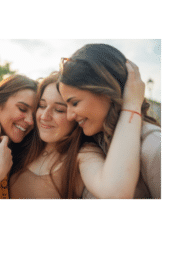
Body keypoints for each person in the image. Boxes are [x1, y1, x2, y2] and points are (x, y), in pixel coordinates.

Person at [0, 64, 145, 199]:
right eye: (41, 106)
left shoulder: (82, 155)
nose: (44, 116)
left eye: (59, 110)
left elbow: (116, 192)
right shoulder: (24, 140)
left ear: (75, 116)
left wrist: (132, 105)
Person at [58, 43, 161, 199]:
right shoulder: (93, 144)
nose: (69, 116)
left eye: (75, 103)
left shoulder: (154, 148)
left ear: (105, 92)